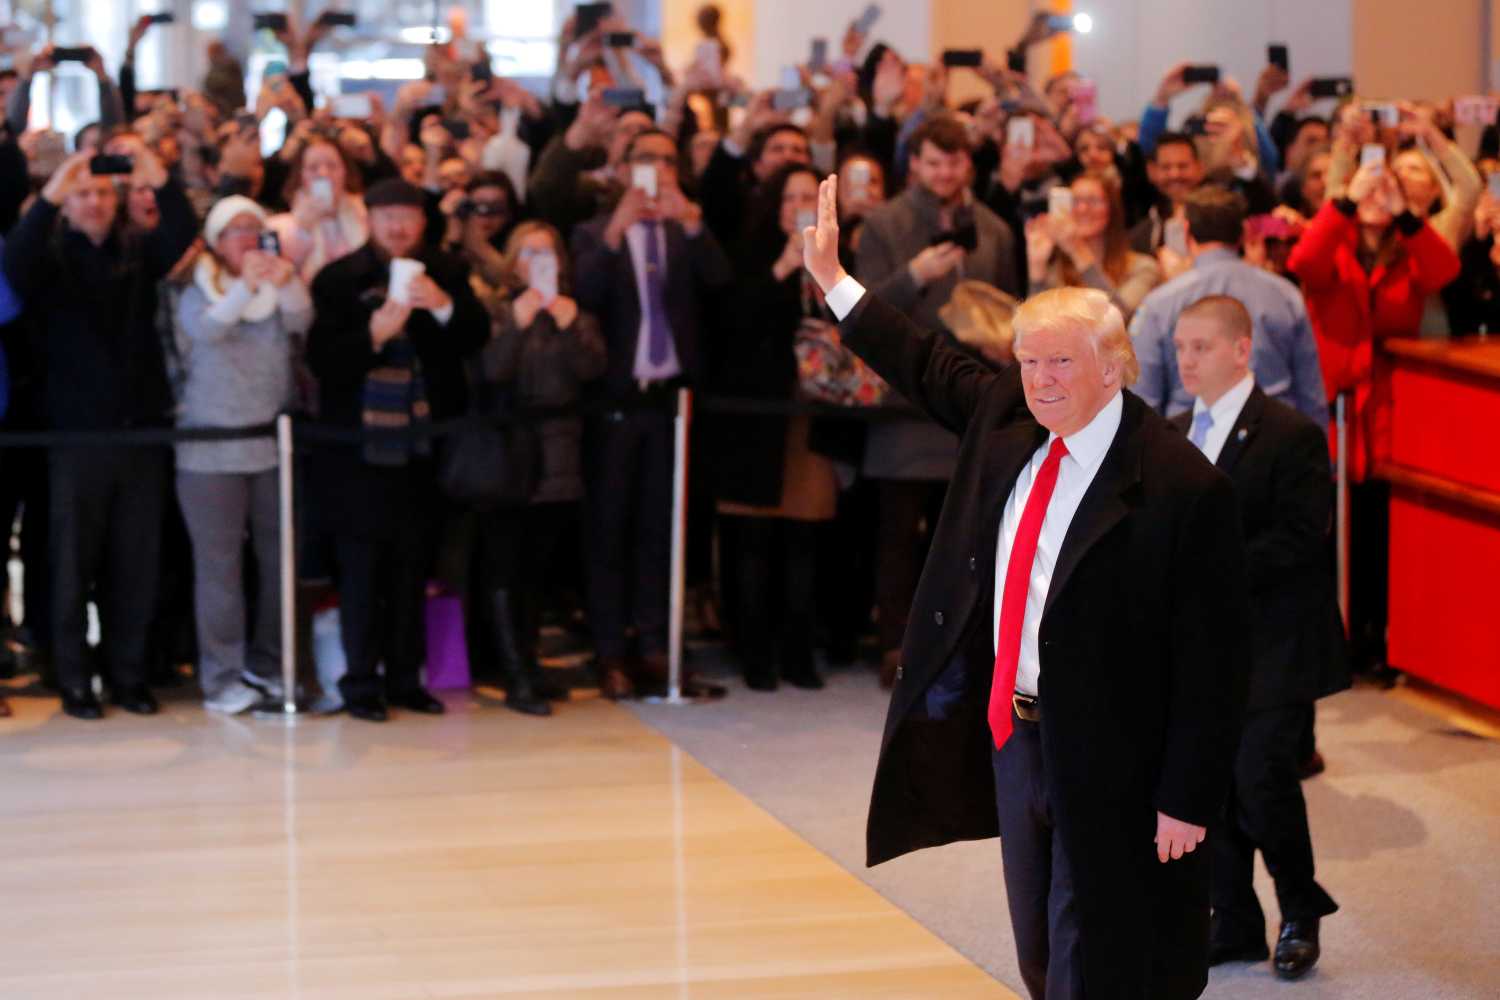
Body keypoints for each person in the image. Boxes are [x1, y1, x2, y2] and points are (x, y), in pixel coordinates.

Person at [801, 175, 1250, 1000]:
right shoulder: (1008, 418)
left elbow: (1215, 665)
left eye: (1061, 364)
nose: (1041, 380)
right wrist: (834, 280)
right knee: (1041, 949)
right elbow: (921, 359)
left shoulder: (1183, 488)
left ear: (1115, 368)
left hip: (1118, 752)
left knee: (1100, 952)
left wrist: (1189, 798)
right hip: (1018, 734)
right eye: (1030, 361)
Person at [1170, 295, 1348, 981]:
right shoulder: (1178, 429)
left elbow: (1303, 538)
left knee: (1261, 777)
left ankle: (1301, 911)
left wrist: (1209, 571)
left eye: (1201, 347)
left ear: (1241, 350)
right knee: (1209, 782)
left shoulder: (1289, 431)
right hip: (1204, 648)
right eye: (1181, 348)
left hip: (1276, 641)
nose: (1186, 360)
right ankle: (1236, 921)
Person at [2, 144, 196, 720]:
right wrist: (52, 194)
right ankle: (73, 678)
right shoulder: (48, 254)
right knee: (71, 562)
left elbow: (180, 238)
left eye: (102, 193)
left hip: (138, 432)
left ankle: (128, 675)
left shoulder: (137, 250)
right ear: (66, 203)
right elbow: (12, 265)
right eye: (82, 194)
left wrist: (158, 176)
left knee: (134, 563)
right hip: (72, 435)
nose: (93, 203)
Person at [305, 178, 489, 721]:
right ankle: (361, 681)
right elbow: (324, 362)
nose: (399, 227)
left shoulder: (447, 272)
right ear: (369, 219)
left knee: (414, 568)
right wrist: (375, 335)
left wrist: (443, 305)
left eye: (409, 217)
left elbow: (474, 337)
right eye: (389, 217)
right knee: (361, 570)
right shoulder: (339, 279)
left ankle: (408, 678)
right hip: (357, 449)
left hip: (425, 446)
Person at [854, 113, 1019, 688]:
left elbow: (1011, 300)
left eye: (954, 162)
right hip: (905, 402)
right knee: (899, 536)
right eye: (932, 162)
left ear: (967, 165)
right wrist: (915, 275)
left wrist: (1006, 336)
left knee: (973, 537)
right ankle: (896, 647)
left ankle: (968, 645)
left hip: (976, 398)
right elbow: (861, 310)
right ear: (914, 164)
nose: (944, 173)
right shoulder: (883, 223)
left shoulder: (994, 227)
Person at [571, 128, 732, 700]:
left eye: (668, 160)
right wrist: (617, 230)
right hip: (614, 402)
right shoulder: (595, 231)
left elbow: (721, 284)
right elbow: (583, 292)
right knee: (610, 529)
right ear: (623, 168)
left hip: (673, 403)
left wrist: (690, 219)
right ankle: (611, 650)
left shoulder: (685, 229)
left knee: (664, 532)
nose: (658, 170)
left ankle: (659, 648)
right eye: (646, 160)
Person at [1286, 155, 1459, 673]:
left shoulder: (1408, 252)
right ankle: (1334, 640)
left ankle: (1378, 640)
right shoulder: (1332, 248)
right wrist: (1343, 201)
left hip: (1387, 407)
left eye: (1387, 189)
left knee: (1381, 531)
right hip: (1334, 406)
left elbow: (1444, 269)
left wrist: (1407, 213)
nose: (1377, 198)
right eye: (1370, 188)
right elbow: (1304, 261)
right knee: (1332, 529)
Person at [172, 196, 311, 714]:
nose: (249, 239)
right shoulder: (195, 291)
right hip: (209, 452)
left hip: (270, 445)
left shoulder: (278, 285)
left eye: (257, 228)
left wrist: (284, 277)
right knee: (219, 569)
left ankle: (272, 665)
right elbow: (208, 329)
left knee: (279, 563)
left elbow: (301, 320)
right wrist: (247, 288)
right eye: (236, 231)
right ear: (214, 241)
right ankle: (221, 676)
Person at [469, 220, 606, 715]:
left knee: (538, 568)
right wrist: (519, 322)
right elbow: (491, 371)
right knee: (506, 567)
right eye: (527, 253)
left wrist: (569, 324)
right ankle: (514, 672)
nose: (536, 262)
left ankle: (531, 662)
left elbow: (593, 370)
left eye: (546, 254)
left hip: (560, 455)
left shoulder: (574, 314)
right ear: (512, 262)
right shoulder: (499, 310)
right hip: (508, 458)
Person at [716, 163, 840, 691]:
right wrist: (784, 267)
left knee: (803, 541)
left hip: (809, 417)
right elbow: (732, 326)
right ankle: (754, 653)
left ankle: (798, 651)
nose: (797, 207)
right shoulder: (747, 253)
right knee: (752, 540)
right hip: (755, 419)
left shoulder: (834, 260)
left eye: (806, 198)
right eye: (788, 197)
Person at [1130, 186, 1328, 426]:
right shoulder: (1285, 295)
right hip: (1273, 443)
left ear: (1186, 232)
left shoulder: (1160, 303)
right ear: (1243, 234)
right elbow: (1311, 396)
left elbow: (1143, 401)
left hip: (1190, 447)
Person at [1024, 169, 1162, 319]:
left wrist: (1077, 250)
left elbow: (1116, 317)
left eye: (1093, 201)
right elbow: (1033, 327)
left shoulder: (1143, 268)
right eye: (1075, 201)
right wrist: (1036, 266)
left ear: (1112, 209)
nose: (1083, 209)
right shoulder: (1057, 273)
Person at [265, 137, 370, 284]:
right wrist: (302, 230)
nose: (323, 173)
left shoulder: (367, 215)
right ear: (301, 175)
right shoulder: (279, 227)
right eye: (313, 167)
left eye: (332, 166)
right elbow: (281, 276)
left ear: (345, 172)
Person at [1129, 131, 1206, 254]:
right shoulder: (1140, 236)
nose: (1175, 174)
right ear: (1152, 171)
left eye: (1183, 166)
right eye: (1166, 167)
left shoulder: (1220, 221)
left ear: (1200, 168)